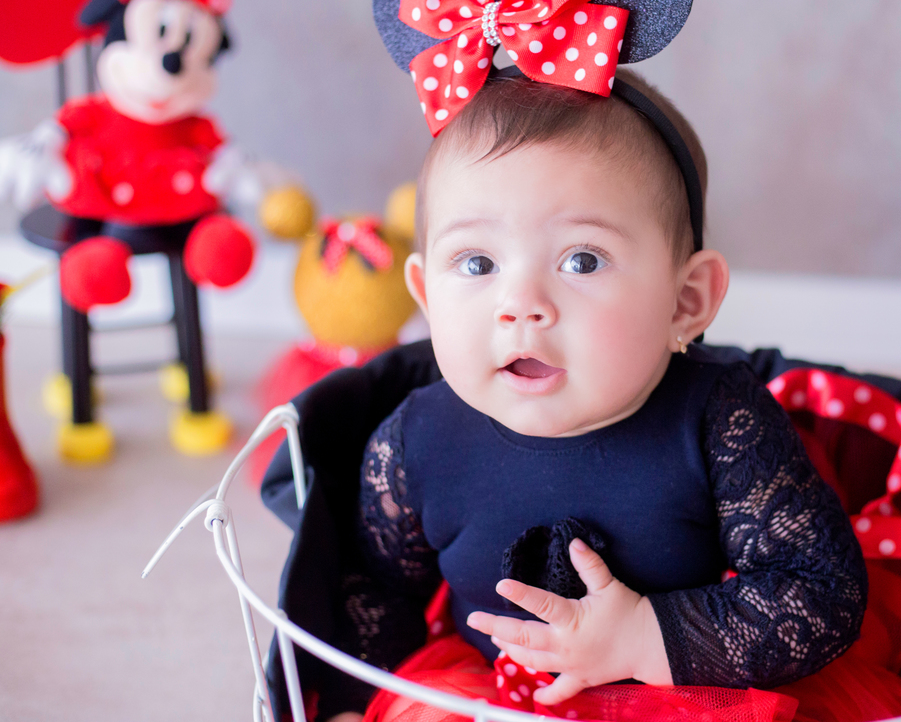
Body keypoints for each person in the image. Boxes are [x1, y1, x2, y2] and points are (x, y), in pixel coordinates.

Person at [317, 68, 868, 722]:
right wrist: (352, 701)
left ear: (685, 302)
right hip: (490, 699)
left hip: (679, 692)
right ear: (427, 295)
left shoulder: (721, 420)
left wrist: (645, 636)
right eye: (477, 263)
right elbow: (375, 589)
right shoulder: (413, 444)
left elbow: (823, 591)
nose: (520, 305)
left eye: (581, 260)